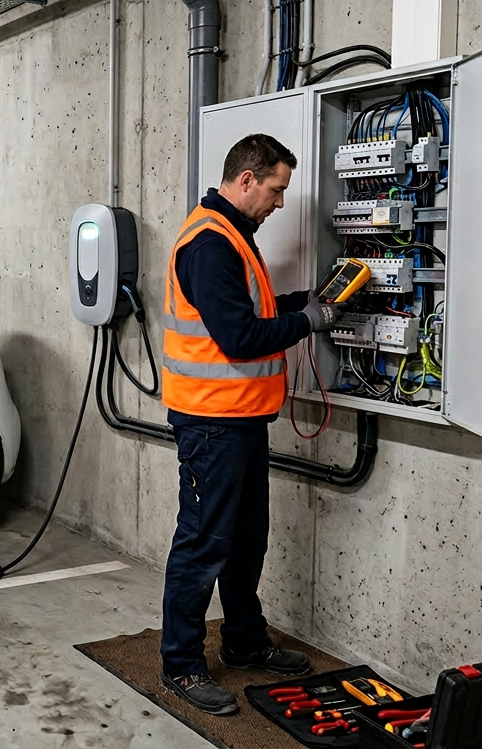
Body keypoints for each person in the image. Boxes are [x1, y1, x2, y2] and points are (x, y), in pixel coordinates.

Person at [157, 134, 342, 716]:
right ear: (245, 180)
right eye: (276, 188)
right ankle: (181, 666)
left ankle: (243, 642)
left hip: (239, 422)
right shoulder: (210, 244)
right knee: (203, 545)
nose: (281, 202)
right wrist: (309, 322)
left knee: (244, 540)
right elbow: (238, 338)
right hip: (212, 423)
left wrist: (307, 302)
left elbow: (253, 314)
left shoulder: (234, 236)